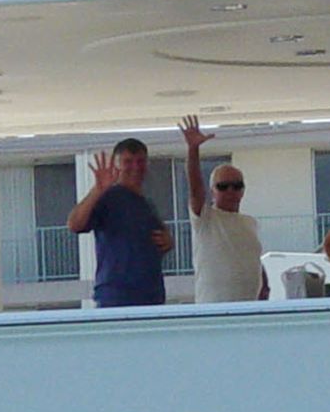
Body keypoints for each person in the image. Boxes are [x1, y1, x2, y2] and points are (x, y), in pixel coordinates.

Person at [67, 137, 173, 307]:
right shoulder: (109, 197)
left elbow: (159, 242)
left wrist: (168, 241)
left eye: (140, 161)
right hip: (117, 296)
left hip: (150, 296)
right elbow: (74, 224)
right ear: (116, 165)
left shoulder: (147, 204)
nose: (135, 168)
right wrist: (98, 189)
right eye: (128, 162)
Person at [178, 115, 268, 302]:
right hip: (214, 309)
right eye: (223, 186)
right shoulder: (205, 218)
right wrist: (193, 149)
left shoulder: (250, 223)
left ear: (243, 190)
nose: (230, 191)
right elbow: (195, 188)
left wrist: (264, 285)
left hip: (248, 308)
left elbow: (254, 258)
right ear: (213, 191)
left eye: (236, 186)